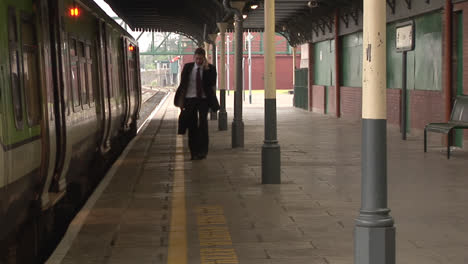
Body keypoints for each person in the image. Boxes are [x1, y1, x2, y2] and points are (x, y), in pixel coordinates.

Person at [174, 47, 220, 160]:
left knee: (203, 124)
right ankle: (193, 152)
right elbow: (183, 84)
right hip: (190, 99)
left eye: (201, 59)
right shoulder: (188, 67)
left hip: (203, 100)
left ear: (204, 58)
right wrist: (181, 102)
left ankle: (203, 151)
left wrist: (206, 69)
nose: (199, 61)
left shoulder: (211, 69)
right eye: (197, 58)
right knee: (192, 126)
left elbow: (212, 84)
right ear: (194, 57)